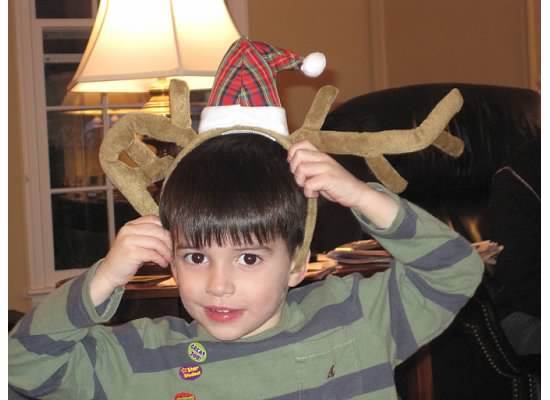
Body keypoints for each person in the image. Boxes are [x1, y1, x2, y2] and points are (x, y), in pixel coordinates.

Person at [9, 133, 483, 399]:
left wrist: (362, 197)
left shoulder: (356, 319)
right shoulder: (139, 358)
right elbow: (20, 367)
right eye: (196, 257)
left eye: (249, 258)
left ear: (296, 264)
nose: (219, 285)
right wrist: (106, 276)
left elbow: (455, 270)